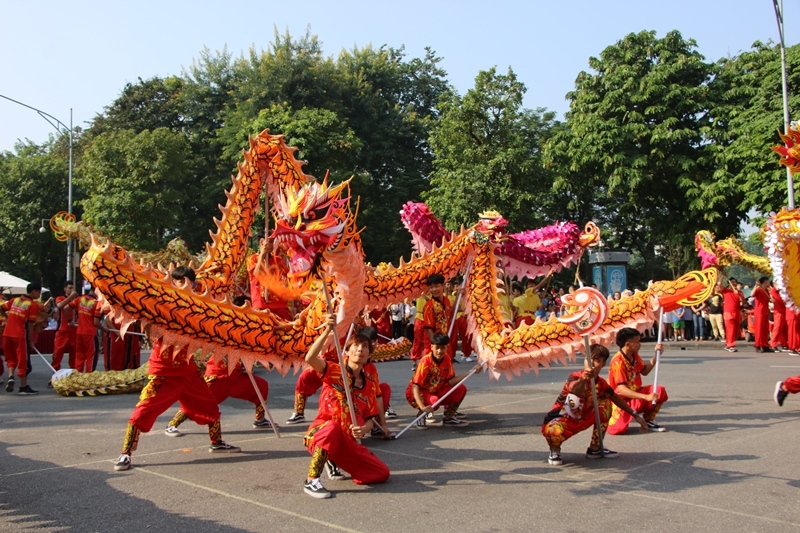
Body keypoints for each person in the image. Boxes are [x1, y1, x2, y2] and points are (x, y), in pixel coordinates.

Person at [114, 266, 241, 472]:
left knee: (210, 407)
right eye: (178, 281)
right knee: (142, 412)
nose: (181, 285)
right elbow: (149, 330)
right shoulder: (160, 304)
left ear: (193, 283)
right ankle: (125, 454)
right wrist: (148, 318)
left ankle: (216, 442)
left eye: (185, 281)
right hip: (163, 373)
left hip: (188, 372)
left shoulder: (196, 307)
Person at [302, 314, 390, 499]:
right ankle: (312, 480)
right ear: (347, 352)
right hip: (320, 433)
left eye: (365, 347)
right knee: (332, 428)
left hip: (347, 441)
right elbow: (310, 358)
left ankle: (335, 459)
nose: (360, 349)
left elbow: (370, 420)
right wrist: (327, 330)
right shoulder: (335, 371)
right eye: (356, 346)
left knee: (381, 473)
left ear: (369, 355)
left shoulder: (369, 385)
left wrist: (363, 429)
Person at [542, 344, 648, 465]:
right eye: (589, 359)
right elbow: (574, 390)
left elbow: (615, 397)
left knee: (606, 403)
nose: (592, 363)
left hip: (584, 417)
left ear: (603, 364)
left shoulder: (601, 384)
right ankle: (555, 449)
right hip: (564, 418)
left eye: (597, 361)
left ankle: (595, 448)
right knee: (552, 431)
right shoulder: (574, 377)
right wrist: (583, 379)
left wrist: (635, 414)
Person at [406, 332, 481, 428]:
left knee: (460, 389)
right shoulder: (425, 361)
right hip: (418, 393)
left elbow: (451, 381)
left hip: (436, 390)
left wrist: (471, 371)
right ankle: (421, 414)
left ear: (447, 347)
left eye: (443, 348)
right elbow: (415, 386)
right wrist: (422, 407)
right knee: (434, 401)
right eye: (437, 348)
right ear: (432, 346)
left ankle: (448, 417)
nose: (439, 351)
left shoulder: (447, 358)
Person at [607, 327, 668, 434]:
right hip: (621, 400)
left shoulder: (634, 355)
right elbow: (622, 390)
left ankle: (648, 419)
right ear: (627, 344)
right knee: (617, 430)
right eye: (637, 342)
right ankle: (608, 414)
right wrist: (645, 397)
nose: (640, 344)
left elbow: (644, 371)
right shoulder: (618, 361)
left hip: (635, 395)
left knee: (659, 390)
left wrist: (656, 355)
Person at [1, 282, 42, 395]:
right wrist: (31, 340)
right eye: (38, 292)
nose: (39, 294)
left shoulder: (14, 300)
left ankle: (10, 376)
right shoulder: (33, 305)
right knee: (22, 360)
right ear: (33, 291)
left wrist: (7, 317)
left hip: (7, 334)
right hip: (19, 335)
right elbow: (29, 325)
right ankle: (23, 387)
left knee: (10, 358)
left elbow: (1, 308)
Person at [68, 286, 109, 373]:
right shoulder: (97, 303)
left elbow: (66, 308)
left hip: (79, 332)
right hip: (91, 333)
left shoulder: (79, 299)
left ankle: (77, 377)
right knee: (92, 356)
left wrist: (69, 320)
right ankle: (89, 378)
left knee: (79, 356)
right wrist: (104, 329)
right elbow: (96, 322)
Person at [421, 273, 454, 360]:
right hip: (435, 346)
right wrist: (437, 346)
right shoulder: (429, 306)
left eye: (436, 286)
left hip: (445, 342)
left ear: (443, 285)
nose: (434, 289)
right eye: (431, 287)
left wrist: (460, 295)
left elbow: (450, 314)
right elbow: (428, 328)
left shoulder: (446, 301)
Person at [52, 281, 78, 372]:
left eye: (73, 288)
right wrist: (71, 297)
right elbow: (59, 305)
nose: (72, 290)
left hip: (74, 330)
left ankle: (73, 373)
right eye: (70, 288)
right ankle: (55, 373)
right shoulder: (60, 298)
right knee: (58, 353)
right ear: (65, 289)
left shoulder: (77, 300)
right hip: (62, 330)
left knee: (74, 354)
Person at [718, 278, 745, 352]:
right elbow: (719, 284)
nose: (734, 283)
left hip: (736, 313)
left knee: (734, 330)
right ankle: (730, 345)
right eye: (732, 282)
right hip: (728, 312)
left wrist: (739, 294)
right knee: (730, 329)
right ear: (729, 283)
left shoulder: (739, 292)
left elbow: (743, 302)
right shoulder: (726, 291)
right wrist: (722, 275)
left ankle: (728, 344)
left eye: (735, 282)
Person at [751, 277, 774, 353]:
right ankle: (758, 345)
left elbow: (769, 299)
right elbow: (752, 294)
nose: (769, 283)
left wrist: (771, 300)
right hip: (759, 312)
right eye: (767, 281)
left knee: (765, 330)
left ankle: (765, 345)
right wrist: (755, 285)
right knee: (759, 330)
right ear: (764, 282)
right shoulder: (758, 289)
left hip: (765, 312)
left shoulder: (766, 290)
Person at [770, 283, 788, 352]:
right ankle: (773, 345)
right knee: (777, 329)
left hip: (783, 312)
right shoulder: (774, 291)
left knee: (782, 330)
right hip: (778, 313)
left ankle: (784, 344)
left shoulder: (781, 293)